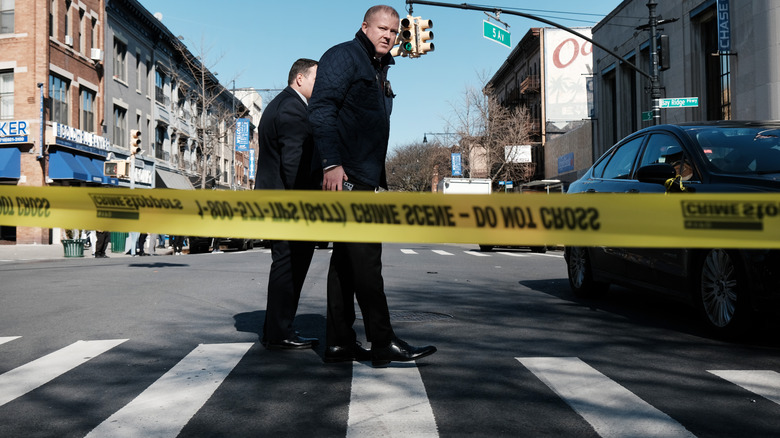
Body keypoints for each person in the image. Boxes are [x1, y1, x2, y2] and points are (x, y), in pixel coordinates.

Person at [309, 5, 437, 366]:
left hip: (363, 178)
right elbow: (321, 109)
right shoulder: (343, 56)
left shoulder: (377, 67)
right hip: (347, 178)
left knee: (346, 265)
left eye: (394, 32)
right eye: (382, 28)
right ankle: (382, 342)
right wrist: (331, 163)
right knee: (367, 262)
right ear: (364, 26)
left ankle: (339, 342)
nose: (389, 36)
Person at [255, 58, 321, 350]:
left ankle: (276, 328)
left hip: (279, 200)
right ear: (299, 79)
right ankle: (280, 331)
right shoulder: (293, 109)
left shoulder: (280, 105)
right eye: (316, 80)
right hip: (290, 204)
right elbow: (294, 163)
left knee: (286, 265)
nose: (320, 86)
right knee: (288, 266)